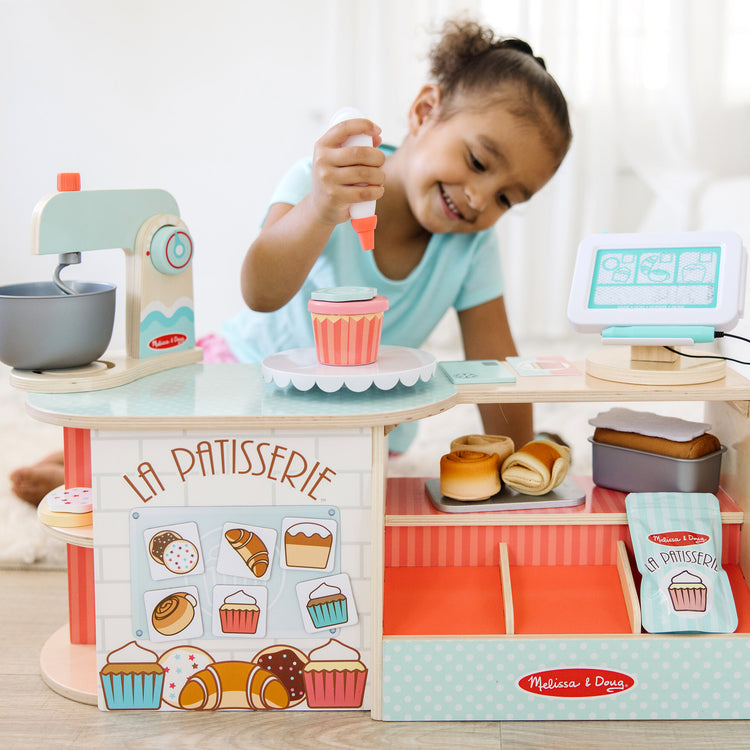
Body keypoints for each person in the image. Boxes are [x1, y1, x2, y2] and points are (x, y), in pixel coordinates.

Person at [10, 18, 571, 506]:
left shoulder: (471, 246)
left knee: (313, 497)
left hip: (355, 418)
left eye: (507, 198)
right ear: (425, 112)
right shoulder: (322, 183)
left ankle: (115, 466)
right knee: (191, 464)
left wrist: (522, 466)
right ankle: (95, 464)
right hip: (246, 384)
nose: (479, 198)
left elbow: (497, 363)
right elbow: (260, 289)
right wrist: (322, 209)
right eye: (477, 161)